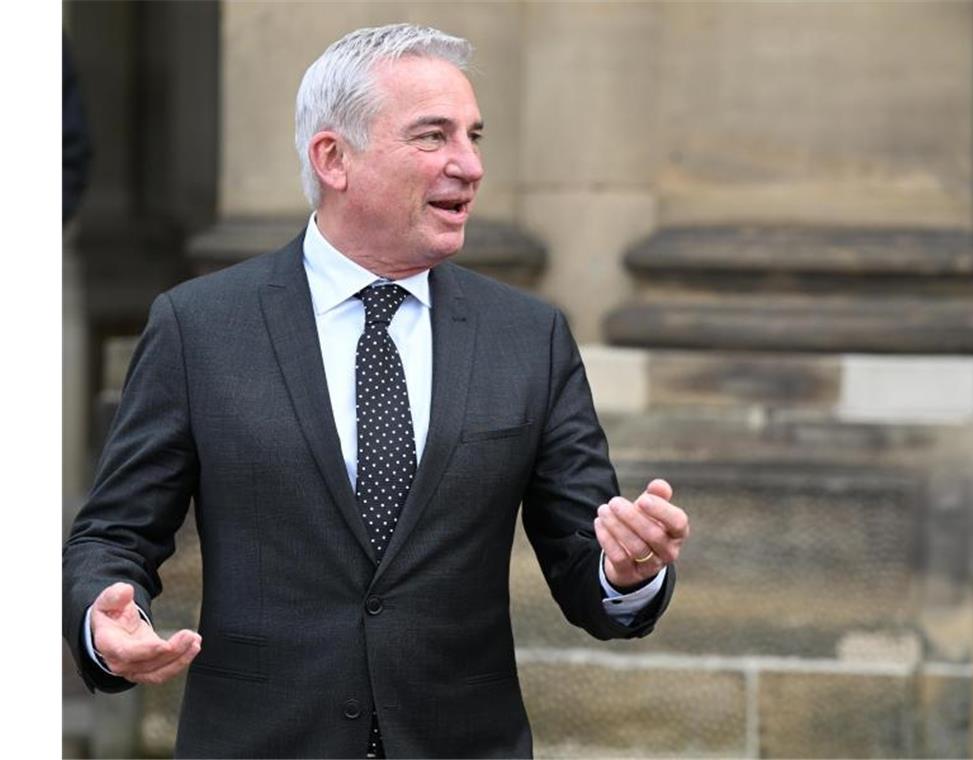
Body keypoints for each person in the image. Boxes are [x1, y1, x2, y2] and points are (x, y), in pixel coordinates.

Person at [63, 24, 690, 758]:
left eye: (473, 136)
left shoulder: (529, 338)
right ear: (334, 158)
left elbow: (590, 566)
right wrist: (106, 620)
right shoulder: (199, 327)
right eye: (433, 137)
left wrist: (627, 571)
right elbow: (113, 536)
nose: (470, 165)